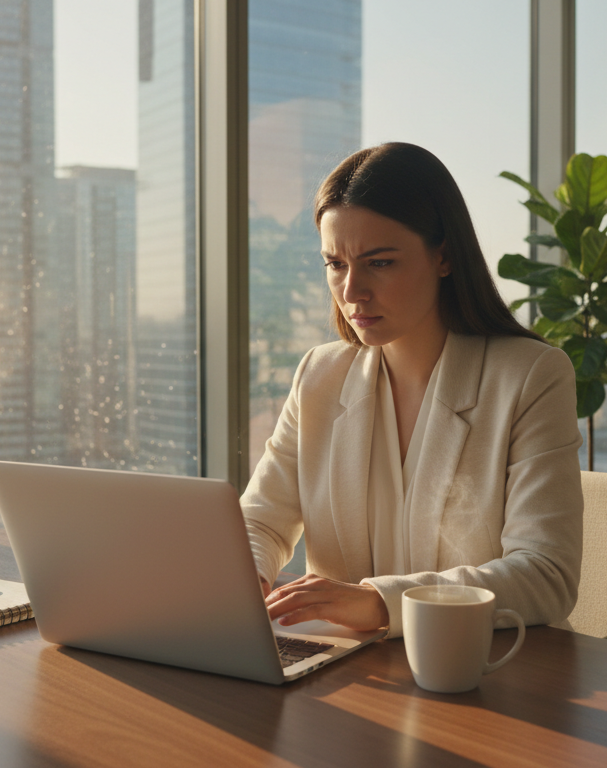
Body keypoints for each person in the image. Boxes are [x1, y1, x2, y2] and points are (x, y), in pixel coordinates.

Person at [243, 142, 583, 639]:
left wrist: (380, 603)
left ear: (443, 256)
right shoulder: (320, 374)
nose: (352, 290)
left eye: (379, 263)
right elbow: (261, 521)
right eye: (335, 264)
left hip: (486, 672)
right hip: (350, 673)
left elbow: (546, 575)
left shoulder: (530, 376)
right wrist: (245, 578)